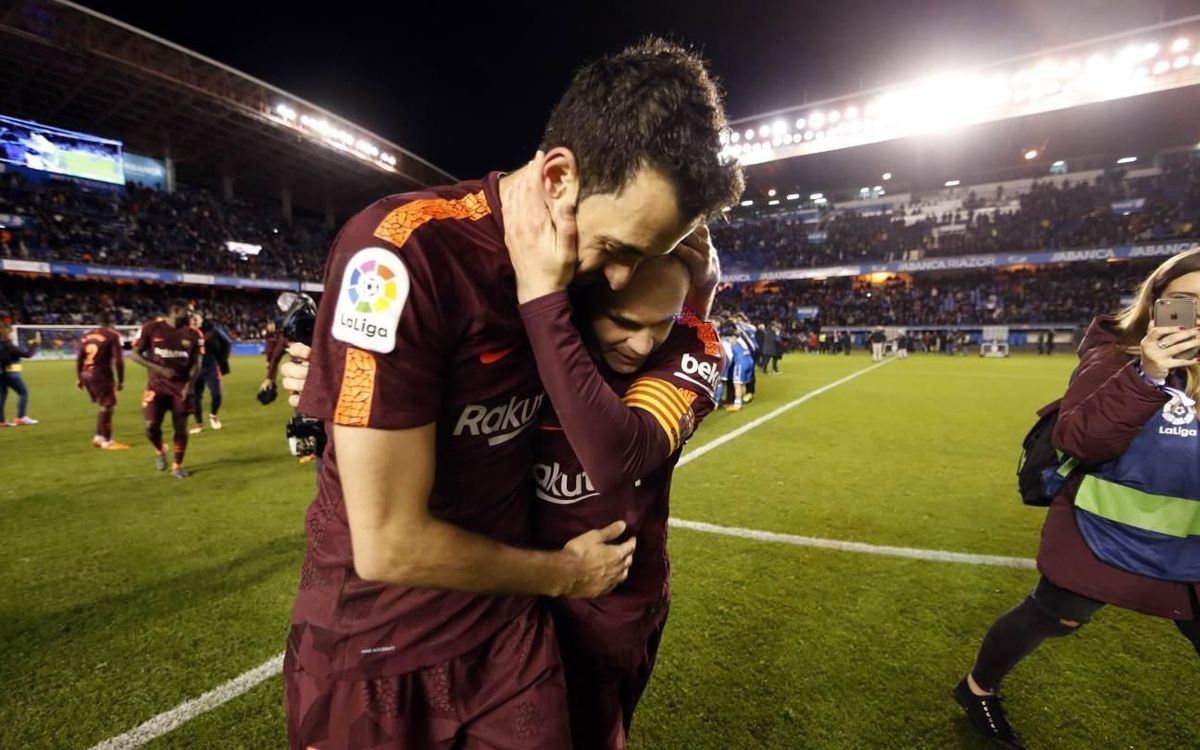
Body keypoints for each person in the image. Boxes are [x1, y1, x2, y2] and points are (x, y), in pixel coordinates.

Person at [285, 38, 742, 750]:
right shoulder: (402, 253)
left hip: (511, 634)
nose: (620, 281)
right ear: (558, 176)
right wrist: (564, 573)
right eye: (620, 251)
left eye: (642, 258)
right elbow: (387, 544)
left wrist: (697, 291)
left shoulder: (591, 273)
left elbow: (653, 362)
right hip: (379, 643)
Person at [281, 244, 723, 750]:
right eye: (622, 320)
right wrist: (342, 368)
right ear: (580, 302)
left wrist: (698, 290)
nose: (642, 345)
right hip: (508, 597)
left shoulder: (690, 343)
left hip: (609, 603)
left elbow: (619, 453)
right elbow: (417, 376)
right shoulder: (524, 336)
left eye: (660, 323)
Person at [955, 248, 1200, 749]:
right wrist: (1147, 376)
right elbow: (1079, 439)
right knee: (1051, 617)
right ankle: (977, 688)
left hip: (1190, 548)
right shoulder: (1116, 356)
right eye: (1185, 300)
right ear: (1156, 303)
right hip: (1103, 535)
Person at [129, 300, 203, 478]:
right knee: (150, 426)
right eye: (187, 312)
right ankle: (160, 448)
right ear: (176, 311)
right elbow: (134, 354)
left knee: (180, 427)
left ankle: (177, 465)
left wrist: (189, 386)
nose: (190, 316)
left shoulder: (194, 334)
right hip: (157, 386)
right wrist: (159, 369)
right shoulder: (151, 328)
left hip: (181, 388)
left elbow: (197, 363)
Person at [76, 310, 128, 449]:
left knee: (104, 405)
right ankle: (107, 440)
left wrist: (79, 377)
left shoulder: (87, 335)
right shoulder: (112, 335)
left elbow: (80, 357)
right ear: (110, 322)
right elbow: (119, 360)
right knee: (108, 406)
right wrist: (121, 380)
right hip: (101, 375)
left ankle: (99, 437)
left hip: (87, 374)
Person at [190, 314, 232, 433]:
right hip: (194, 369)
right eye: (192, 319)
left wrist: (222, 359)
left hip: (211, 367)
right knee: (195, 397)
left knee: (217, 394)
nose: (194, 321)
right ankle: (199, 424)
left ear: (201, 321)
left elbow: (228, 343)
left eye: (196, 319)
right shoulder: (185, 333)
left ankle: (213, 415)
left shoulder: (213, 331)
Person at [0, 322, 37, 426]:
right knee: (23, 393)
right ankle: (21, 417)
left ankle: (1, 421)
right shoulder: (9, 346)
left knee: (2, 396)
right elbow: (27, 354)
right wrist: (34, 345)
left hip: (1, 374)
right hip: (12, 374)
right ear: (7, 334)